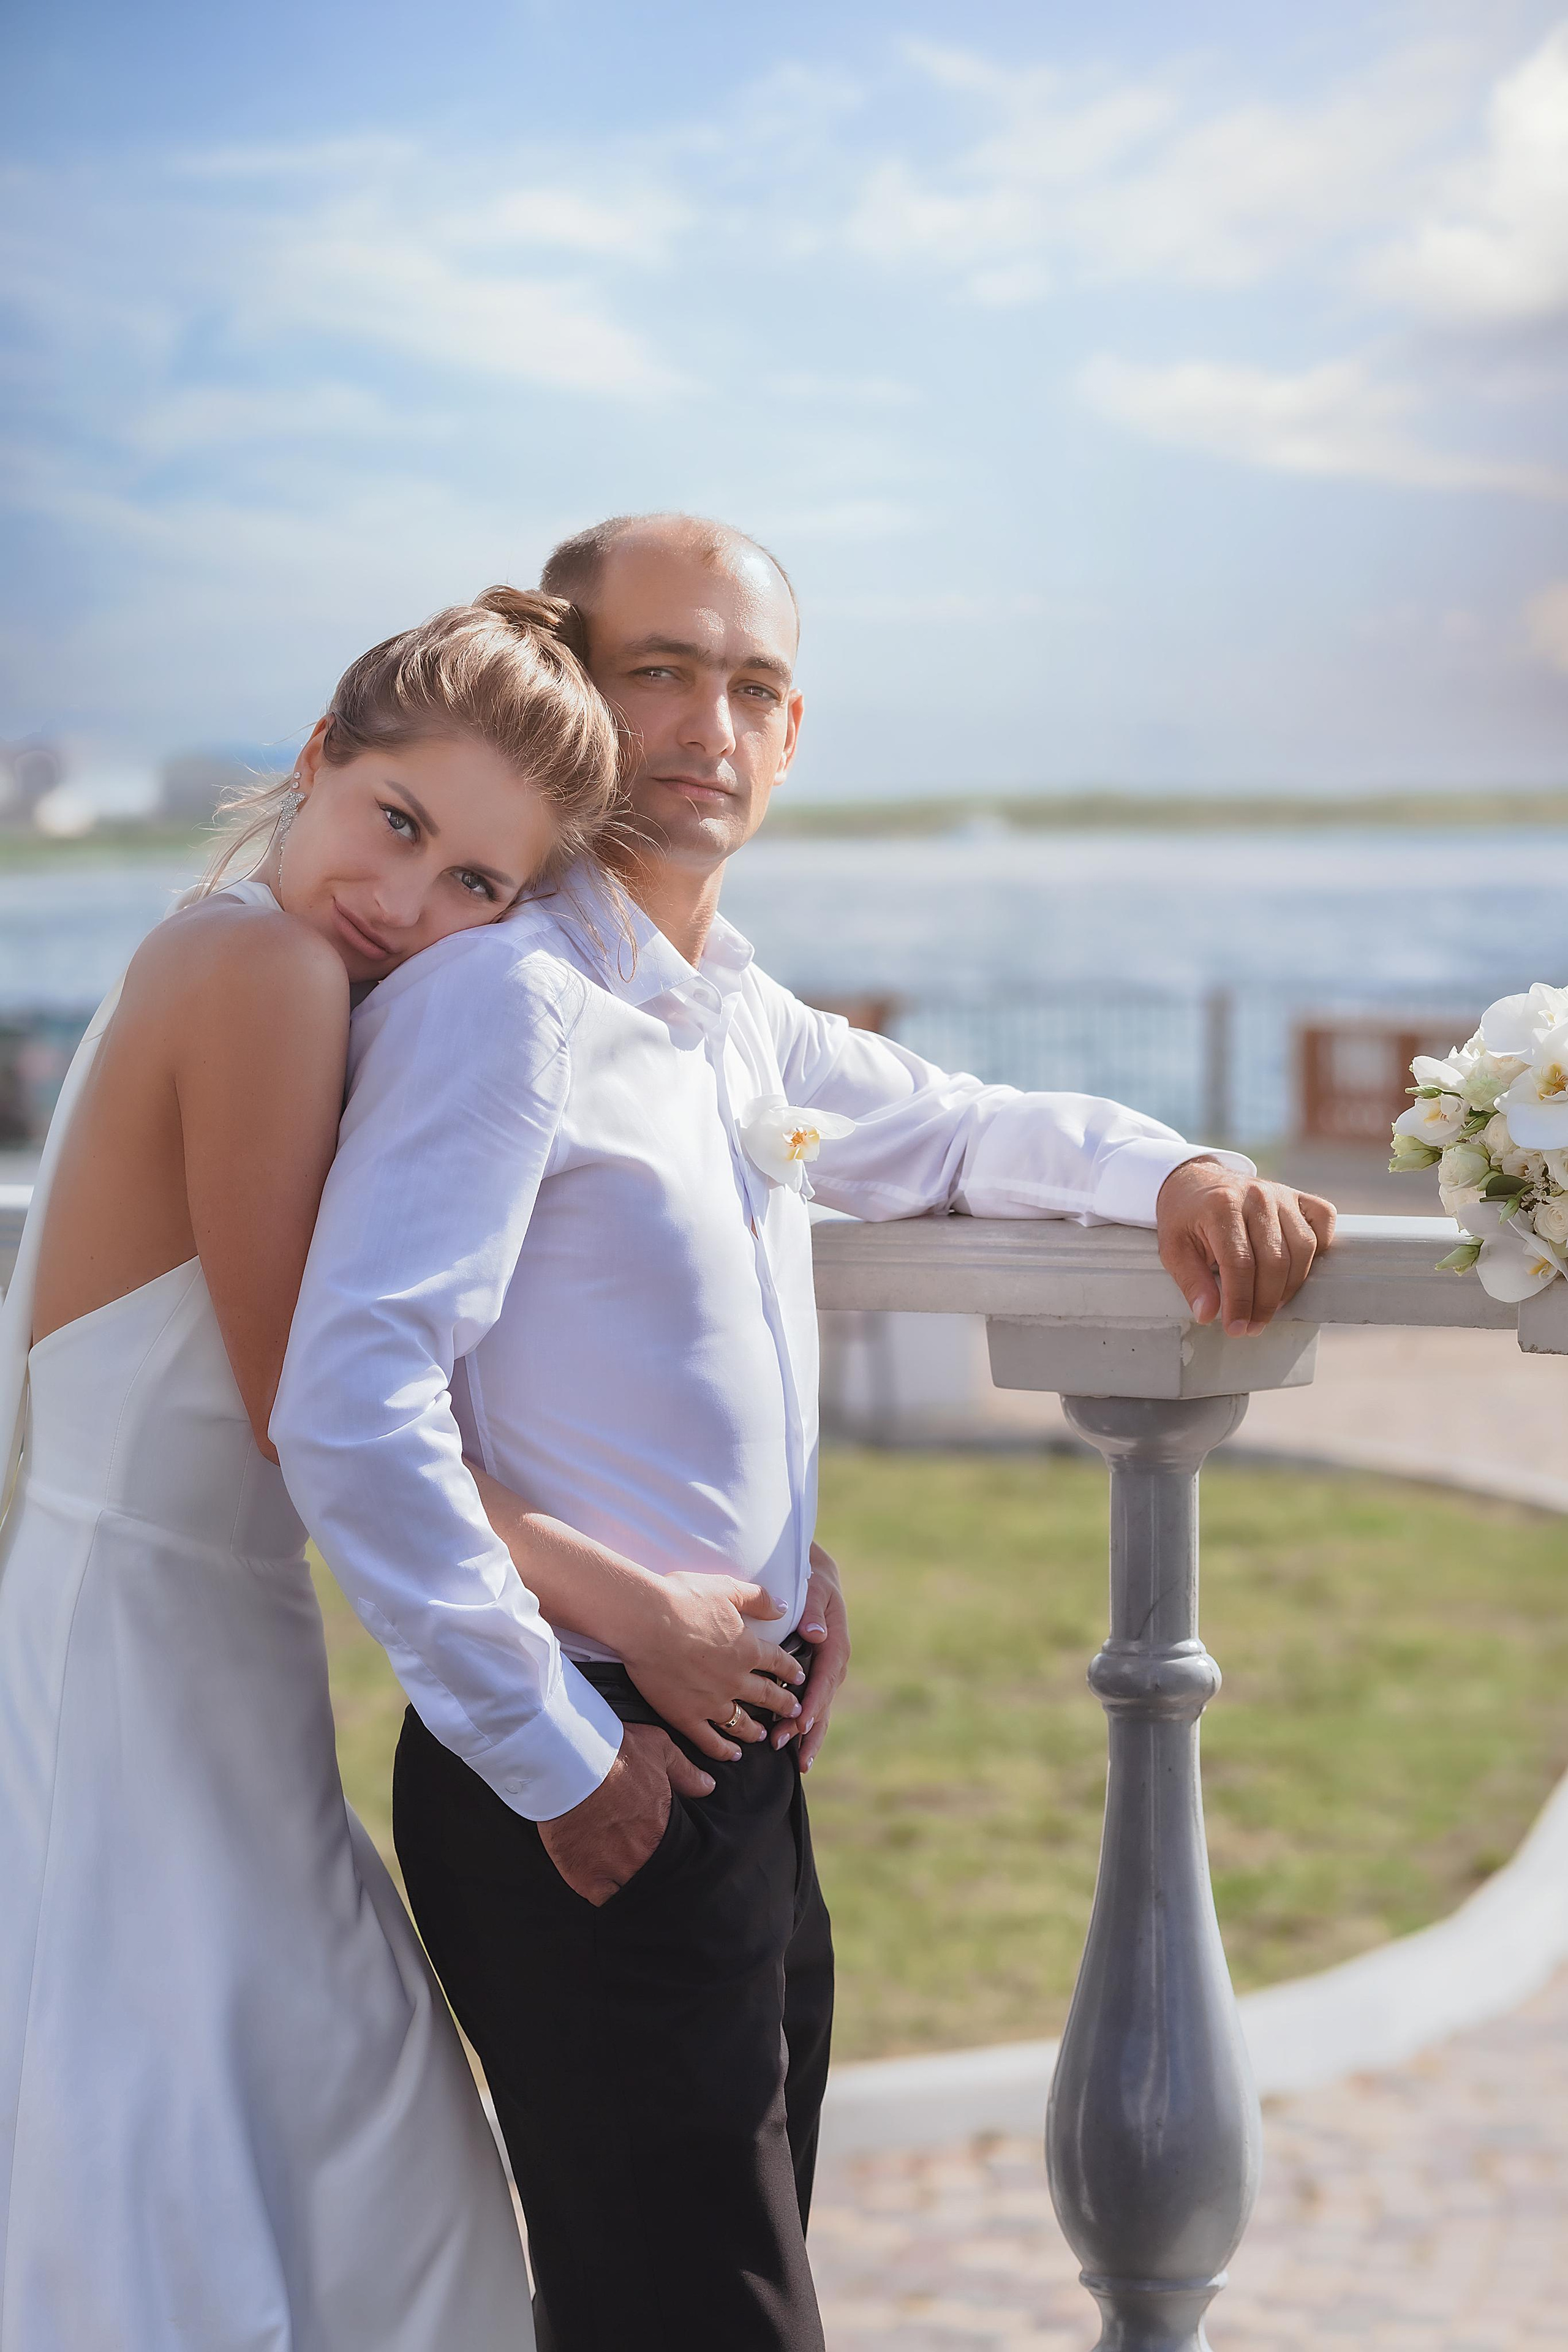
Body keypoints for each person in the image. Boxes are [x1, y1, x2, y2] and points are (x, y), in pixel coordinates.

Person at [273, 514, 1338, 2352]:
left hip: (738, 1748)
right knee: (710, 2314)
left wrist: (1176, 1167)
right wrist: (558, 1760)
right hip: (585, 1744)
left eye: (754, 687)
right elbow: (354, 1407)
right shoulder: (502, 1002)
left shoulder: (730, 1018)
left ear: (792, 732)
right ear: (568, 694)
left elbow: (960, 1129)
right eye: (660, 671)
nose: (712, 724)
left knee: (702, 2295)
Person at [0, 585, 781, 2351]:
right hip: (140, 1666)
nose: (408, 905)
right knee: (290, 2156)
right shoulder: (261, 976)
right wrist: (629, 1600)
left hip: (186, 1640)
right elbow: (319, 1411)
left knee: (310, 2146)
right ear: (317, 758)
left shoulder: (215, 948)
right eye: (398, 822)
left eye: (480, 886)